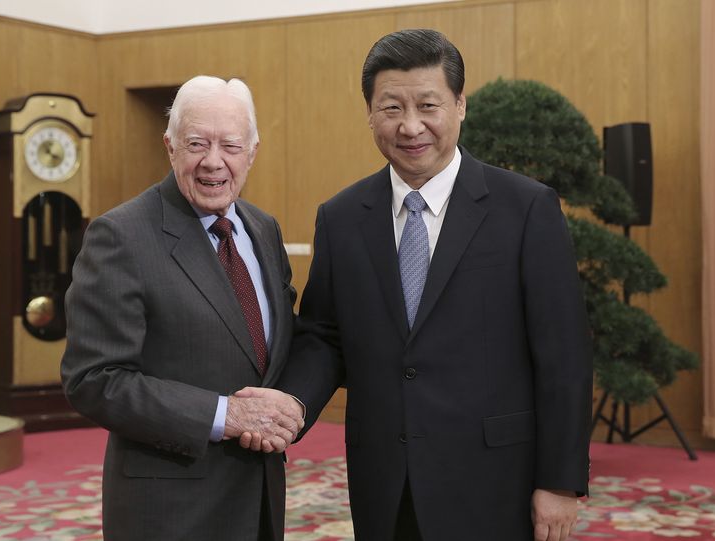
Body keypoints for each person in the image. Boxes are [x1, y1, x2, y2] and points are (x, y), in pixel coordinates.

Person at [242, 29, 593, 541]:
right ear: (369, 113)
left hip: (497, 480)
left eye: (428, 105)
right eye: (391, 108)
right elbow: (325, 335)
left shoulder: (525, 209)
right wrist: (291, 403)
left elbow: (564, 353)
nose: (411, 127)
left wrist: (560, 483)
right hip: (387, 479)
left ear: (459, 105)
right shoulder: (342, 218)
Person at [61, 75, 304, 541]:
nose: (213, 161)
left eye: (231, 145)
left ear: (252, 152)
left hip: (259, 500)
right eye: (196, 143)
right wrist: (222, 415)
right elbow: (93, 379)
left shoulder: (263, 229)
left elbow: (275, 346)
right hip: (170, 509)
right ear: (170, 146)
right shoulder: (121, 236)